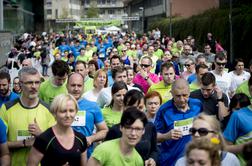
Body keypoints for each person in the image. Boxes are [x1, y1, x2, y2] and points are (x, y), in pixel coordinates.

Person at [0, 67, 55, 166]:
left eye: (37, 82)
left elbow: (56, 145)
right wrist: (24, 143)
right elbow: (1, 144)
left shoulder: (49, 109)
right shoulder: (6, 109)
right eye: (29, 83)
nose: (34, 86)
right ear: (20, 84)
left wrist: (41, 136)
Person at [27, 94, 88, 166]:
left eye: (71, 111)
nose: (68, 115)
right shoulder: (44, 139)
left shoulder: (81, 139)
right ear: (54, 113)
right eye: (63, 111)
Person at [155, 78, 202, 166]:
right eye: (178, 96)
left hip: (193, 160)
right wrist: (166, 136)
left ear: (189, 92)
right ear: (171, 93)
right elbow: (153, 136)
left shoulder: (198, 105)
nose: (181, 99)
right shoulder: (163, 110)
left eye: (185, 95)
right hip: (170, 161)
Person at [67, 72, 108, 158]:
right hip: (63, 156)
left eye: (79, 85)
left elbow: (104, 131)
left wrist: (91, 138)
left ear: (83, 87)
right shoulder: (59, 105)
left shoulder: (93, 106)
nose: (76, 89)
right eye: (73, 85)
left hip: (86, 156)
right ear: (67, 86)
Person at [175, 113, 240, 166]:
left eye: (203, 131)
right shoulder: (181, 162)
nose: (196, 135)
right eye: (193, 131)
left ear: (215, 136)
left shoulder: (231, 160)